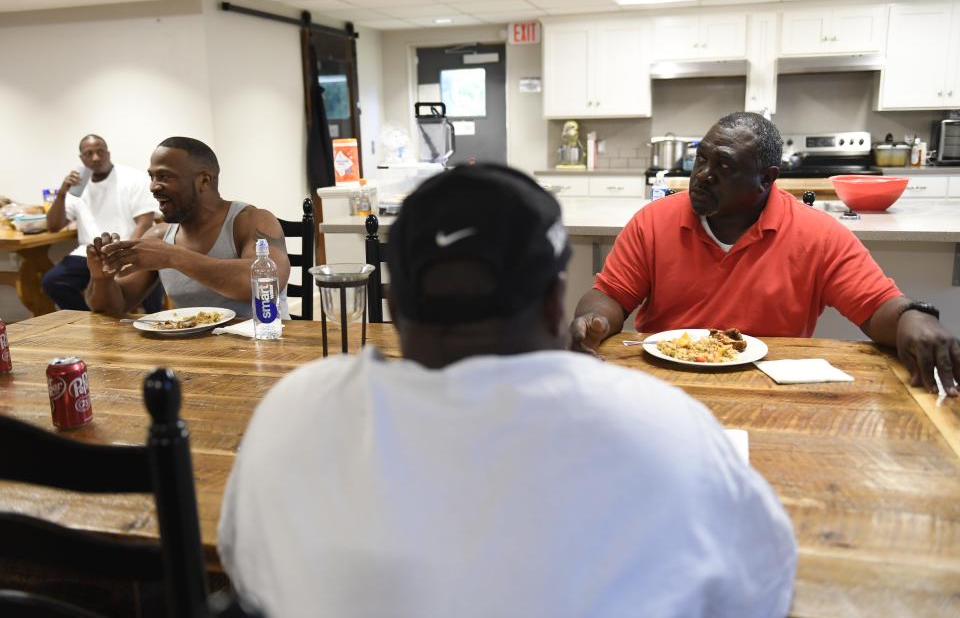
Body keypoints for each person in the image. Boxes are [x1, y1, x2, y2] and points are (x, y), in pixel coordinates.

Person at [218, 164, 797, 618]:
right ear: (553, 300)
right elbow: (760, 591)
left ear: (393, 306)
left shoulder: (294, 411)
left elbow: (245, 568)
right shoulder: (665, 428)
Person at [570, 112, 960, 397]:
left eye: (724, 166)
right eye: (701, 159)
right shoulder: (654, 221)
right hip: (664, 387)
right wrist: (594, 320)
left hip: (771, 390)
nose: (703, 175)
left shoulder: (816, 234)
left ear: (767, 179)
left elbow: (877, 309)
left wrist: (913, 318)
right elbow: (611, 296)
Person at [84, 137, 290, 318]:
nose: (153, 186)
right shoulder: (158, 236)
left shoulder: (253, 220)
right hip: (191, 355)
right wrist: (102, 278)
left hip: (262, 348)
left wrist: (172, 257)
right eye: (152, 177)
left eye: (164, 176)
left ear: (204, 181)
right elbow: (115, 306)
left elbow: (264, 284)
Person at [42, 134, 164, 312]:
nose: (96, 158)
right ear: (81, 158)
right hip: (90, 254)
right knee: (53, 281)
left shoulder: (131, 177)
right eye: (89, 153)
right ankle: (94, 319)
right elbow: (53, 226)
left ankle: (155, 323)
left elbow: (144, 223)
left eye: (100, 152)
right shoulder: (79, 184)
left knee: (148, 275)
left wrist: (123, 254)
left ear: (108, 153)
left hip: (128, 249)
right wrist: (62, 193)